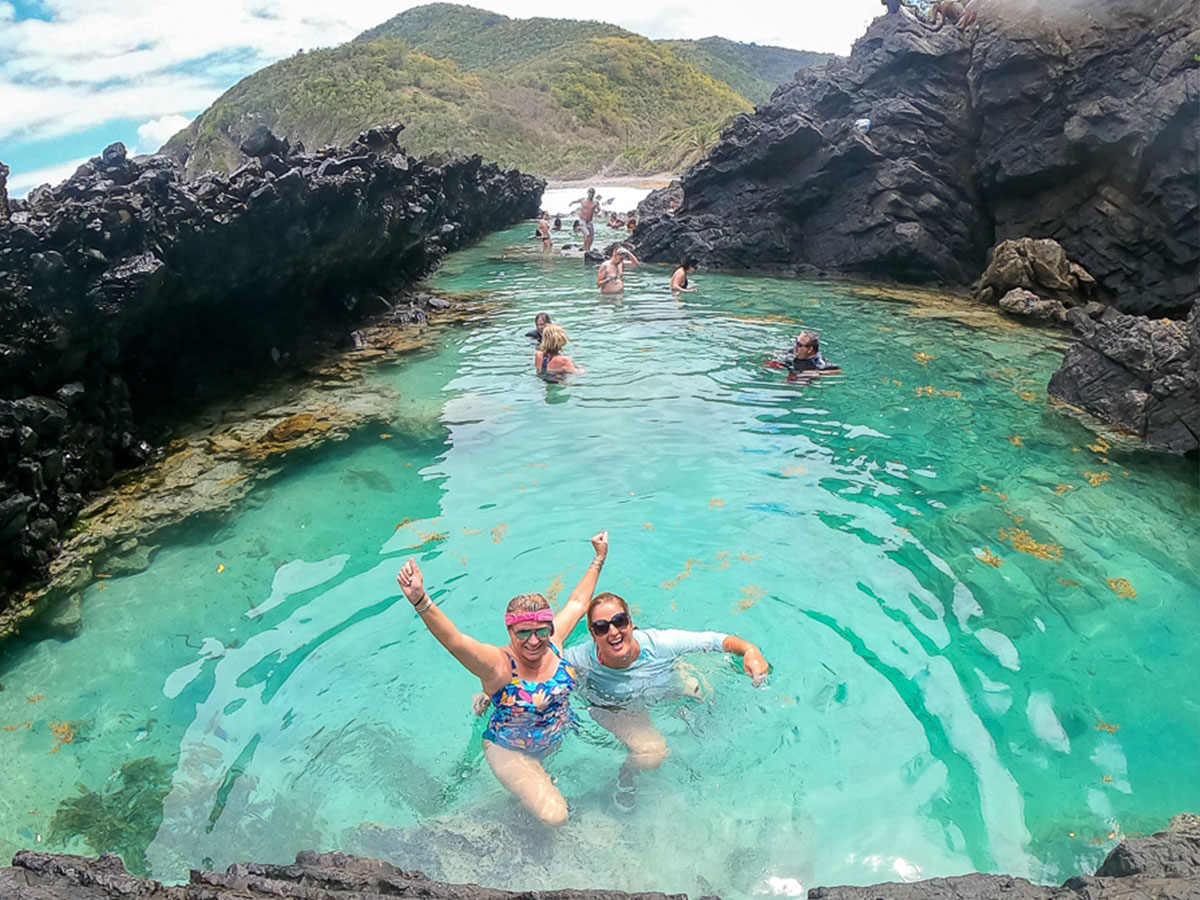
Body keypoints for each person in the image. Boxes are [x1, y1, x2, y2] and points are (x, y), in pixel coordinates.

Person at [396, 531, 610, 825]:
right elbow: (456, 641)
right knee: (555, 815)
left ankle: (488, 702)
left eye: (541, 631)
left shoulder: (555, 642)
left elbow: (577, 603)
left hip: (555, 734)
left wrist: (598, 558)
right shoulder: (498, 665)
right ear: (510, 632)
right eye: (523, 632)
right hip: (509, 748)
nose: (534, 641)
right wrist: (421, 600)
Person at [564, 592, 770, 810]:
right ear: (592, 634)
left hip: (662, 684)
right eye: (602, 627)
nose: (613, 631)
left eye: (619, 621)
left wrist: (750, 651)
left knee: (702, 692)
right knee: (652, 753)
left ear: (630, 623)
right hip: (617, 706)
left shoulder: (660, 643)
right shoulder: (581, 658)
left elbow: (714, 640)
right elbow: (544, 665)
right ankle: (626, 772)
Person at [575, 188, 598, 254]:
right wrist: (571, 203)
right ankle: (586, 249)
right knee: (587, 234)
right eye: (590, 193)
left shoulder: (595, 202)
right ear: (588, 193)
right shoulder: (583, 200)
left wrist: (596, 212)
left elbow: (598, 209)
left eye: (592, 193)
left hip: (589, 221)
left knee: (592, 237)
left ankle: (588, 248)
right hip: (582, 220)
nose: (591, 194)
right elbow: (576, 201)